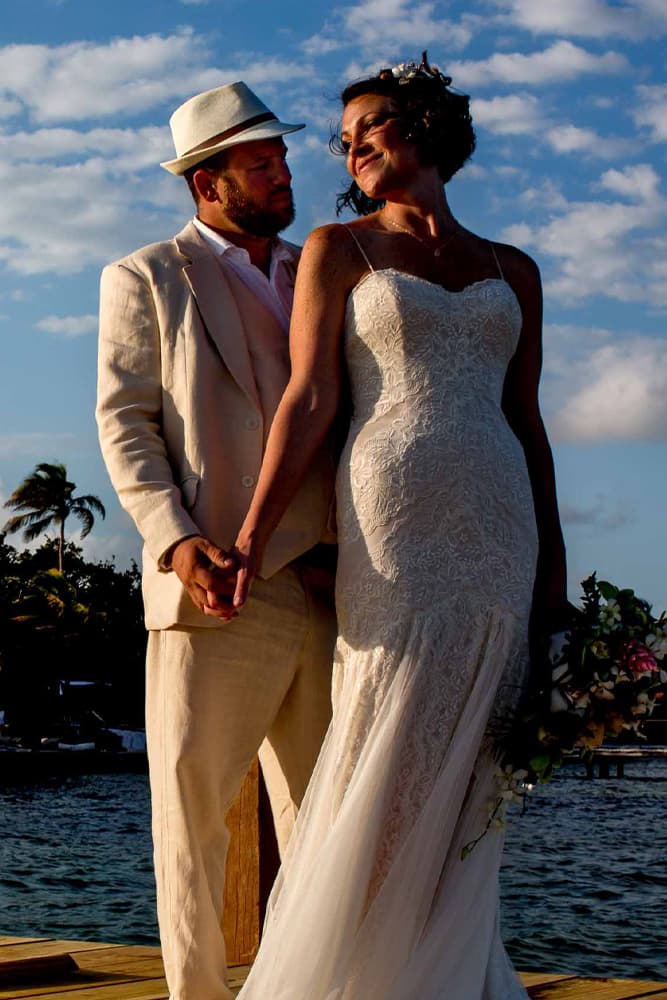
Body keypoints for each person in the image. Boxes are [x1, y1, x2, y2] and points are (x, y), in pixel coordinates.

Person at [231, 55, 567, 998]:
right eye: (343, 141)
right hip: (393, 521)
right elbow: (307, 399)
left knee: (474, 764)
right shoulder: (342, 250)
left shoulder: (515, 270)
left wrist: (554, 566)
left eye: (368, 125)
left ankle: (446, 970)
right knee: (388, 742)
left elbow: (527, 418)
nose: (353, 147)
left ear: (423, 126)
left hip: (500, 524)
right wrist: (254, 537)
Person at [95, 81, 337, 1000]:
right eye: (260, 162)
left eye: (280, 158)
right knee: (191, 822)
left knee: (324, 818)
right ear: (206, 183)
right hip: (212, 587)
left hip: (326, 581)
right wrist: (176, 541)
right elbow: (126, 427)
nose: (281, 173)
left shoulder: (323, 272)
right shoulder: (146, 276)